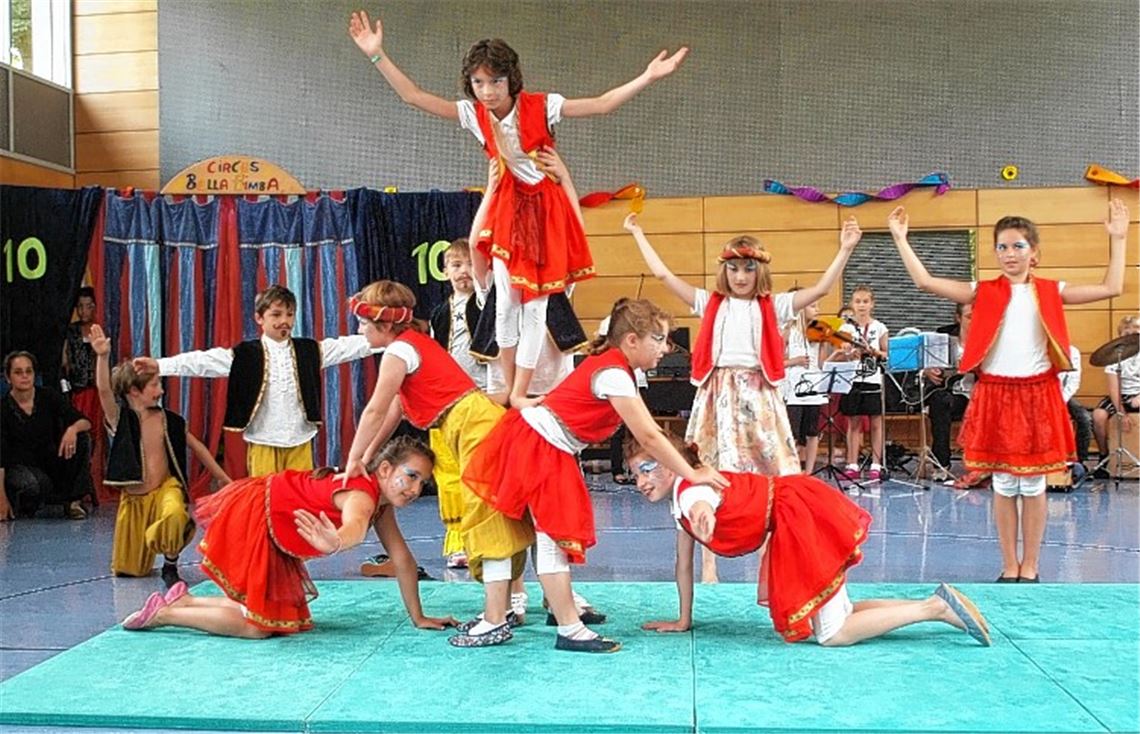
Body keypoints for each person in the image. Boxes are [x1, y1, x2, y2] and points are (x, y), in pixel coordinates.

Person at [348, 10, 687, 405]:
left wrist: (647, 76)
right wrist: (377, 55)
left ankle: (522, 390)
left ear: (512, 80)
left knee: (536, 307)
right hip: (508, 206)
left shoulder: (542, 106)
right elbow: (414, 96)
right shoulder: (473, 114)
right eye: (478, 82)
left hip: (545, 207)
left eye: (496, 81)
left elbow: (602, 104)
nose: (487, 91)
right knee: (505, 303)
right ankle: (510, 388)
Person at [461, 299, 729, 652]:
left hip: (538, 443)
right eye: (659, 339)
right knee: (553, 538)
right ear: (631, 340)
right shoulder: (615, 374)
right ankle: (566, 627)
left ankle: (553, 615)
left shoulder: (616, 369)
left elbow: (649, 436)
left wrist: (689, 467)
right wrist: (693, 475)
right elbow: (648, 435)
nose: (666, 348)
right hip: (539, 446)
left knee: (547, 537)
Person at [888, 199, 1128, 582]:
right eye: (1002, 246)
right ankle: (1008, 564)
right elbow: (925, 282)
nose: (1009, 253)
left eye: (1018, 245)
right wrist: (901, 239)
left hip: (1037, 395)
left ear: (1035, 254)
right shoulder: (982, 291)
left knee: (1032, 484)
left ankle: (1030, 565)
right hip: (995, 394)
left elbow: (1112, 286)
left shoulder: (1052, 290)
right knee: (1003, 482)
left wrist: (1119, 237)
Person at [625, 213, 862, 582]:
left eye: (748, 268)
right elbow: (664, 277)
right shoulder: (710, 302)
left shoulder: (775, 305)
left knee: (773, 476)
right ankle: (708, 564)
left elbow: (819, 291)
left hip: (759, 396)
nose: (740, 276)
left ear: (759, 271)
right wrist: (637, 233)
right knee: (706, 469)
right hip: (717, 395)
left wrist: (845, 248)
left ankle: (771, 564)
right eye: (733, 268)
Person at [622, 428, 991, 647]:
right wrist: (683, 619)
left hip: (799, 517)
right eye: (635, 475)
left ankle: (934, 609)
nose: (640, 482)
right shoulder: (683, 496)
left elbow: (702, 504)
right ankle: (938, 604)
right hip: (796, 509)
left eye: (647, 470)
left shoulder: (690, 490)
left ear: (671, 463)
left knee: (832, 634)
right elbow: (682, 564)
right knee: (837, 613)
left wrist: (704, 514)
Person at [340, 280, 530, 649]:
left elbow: (376, 408)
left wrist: (351, 459)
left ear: (383, 325)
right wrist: (365, 457)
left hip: (472, 427)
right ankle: (502, 609)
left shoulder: (399, 352)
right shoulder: (415, 347)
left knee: (485, 516)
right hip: (469, 425)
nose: (360, 330)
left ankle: (494, 620)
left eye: (364, 323)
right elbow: (394, 412)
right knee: (492, 513)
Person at [121, 436, 457, 637]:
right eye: (410, 477)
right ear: (385, 470)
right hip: (258, 516)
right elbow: (354, 525)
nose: (415, 489)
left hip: (272, 521)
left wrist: (419, 617)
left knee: (281, 617)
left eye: (421, 483)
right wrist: (339, 540)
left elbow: (402, 560)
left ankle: (185, 601)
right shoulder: (362, 495)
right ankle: (165, 614)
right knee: (260, 626)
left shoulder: (380, 505)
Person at [133, 285, 372, 477]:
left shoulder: (309, 350)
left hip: (300, 438)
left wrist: (388, 337)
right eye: (276, 314)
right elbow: (203, 361)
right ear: (260, 318)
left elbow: (346, 347)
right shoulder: (246, 354)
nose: (284, 321)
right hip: (263, 439)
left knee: (299, 499)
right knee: (265, 499)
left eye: (289, 314)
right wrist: (161, 365)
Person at [92, 326, 231, 587]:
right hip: (134, 502)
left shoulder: (170, 421)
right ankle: (145, 544)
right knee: (129, 571)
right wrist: (102, 356)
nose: (161, 391)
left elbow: (198, 447)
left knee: (175, 514)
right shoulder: (120, 420)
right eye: (155, 385)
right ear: (134, 390)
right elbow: (104, 392)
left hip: (166, 489)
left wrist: (222, 477)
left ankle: (170, 562)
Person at [429, 238, 488, 569]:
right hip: (448, 401)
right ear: (444, 271)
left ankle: (482, 538)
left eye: (469, 264)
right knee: (448, 473)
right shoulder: (439, 313)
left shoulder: (488, 305)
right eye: (456, 265)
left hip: (482, 396)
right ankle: (457, 541)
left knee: (478, 470)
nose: (463, 272)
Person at [0, 351, 92, 521]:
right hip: (19, 468)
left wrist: (72, 429)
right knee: (33, 485)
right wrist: (1, 500)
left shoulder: (48, 396)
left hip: (51, 459)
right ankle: (25, 505)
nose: (25, 377)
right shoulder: (3, 409)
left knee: (82, 438)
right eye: (18, 372)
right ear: (8, 377)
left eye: (29, 371)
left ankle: (73, 503)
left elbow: (85, 422)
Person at [828, 285, 889, 481]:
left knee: (876, 423)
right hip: (852, 380)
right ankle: (852, 463)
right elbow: (837, 354)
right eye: (857, 302)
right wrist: (846, 351)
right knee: (853, 423)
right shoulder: (845, 329)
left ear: (872, 304)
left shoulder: (880, 327)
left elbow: (887, 355)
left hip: (872, 380)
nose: (861, 305)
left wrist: (875, 352)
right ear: (852, 305)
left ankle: (877, 463)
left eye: (865, 301)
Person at [61, 286, 109, 502]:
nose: (84, 311)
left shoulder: (101, 331)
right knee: (83, 436)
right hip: (78, 392)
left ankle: (97, 483)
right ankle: (81, 486)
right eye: (80, 306)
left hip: (98, 393)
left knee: (98, 437)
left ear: (95, 307)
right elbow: (65, 362)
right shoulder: (70, 331)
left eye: (88, 306)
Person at [925, 303, 974, 482]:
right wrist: (928, 370)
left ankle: (989, 464)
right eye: (969, 316)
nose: (974, 320)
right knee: (939, 400)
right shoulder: (944, 336)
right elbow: (930, 362)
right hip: (956, 393)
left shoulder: (987, 337)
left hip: (981, 393)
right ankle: (941, 463)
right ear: (958, 318)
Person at [781, 291, 827, 473]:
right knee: (793, 432)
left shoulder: (817, 332)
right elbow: (776, 363)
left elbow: (822, 363)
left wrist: (827, 346)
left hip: (814, 387)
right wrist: (794, 361)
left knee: (812, 431)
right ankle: (791, 470)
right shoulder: (787, 332)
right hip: (794, 389)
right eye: (813, 306)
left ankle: (809, 471)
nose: (818, 310)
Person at [1091, 315, 1140, 478]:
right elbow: (1114, 388)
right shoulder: (1114, 357)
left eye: (1137, 331)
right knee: (1098, 415)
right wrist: (1121, 413)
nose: (1132, 335)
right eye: (1127, 333)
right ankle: (1104, 457)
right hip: (1121, 395)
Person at [1058, 344, 1092, 483]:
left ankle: (1080, 461)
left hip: (1063, 396)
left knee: (1085, 418)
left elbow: (1073, 382)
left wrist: (1061, 402)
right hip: (1041, 396)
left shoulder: (1073, 352)